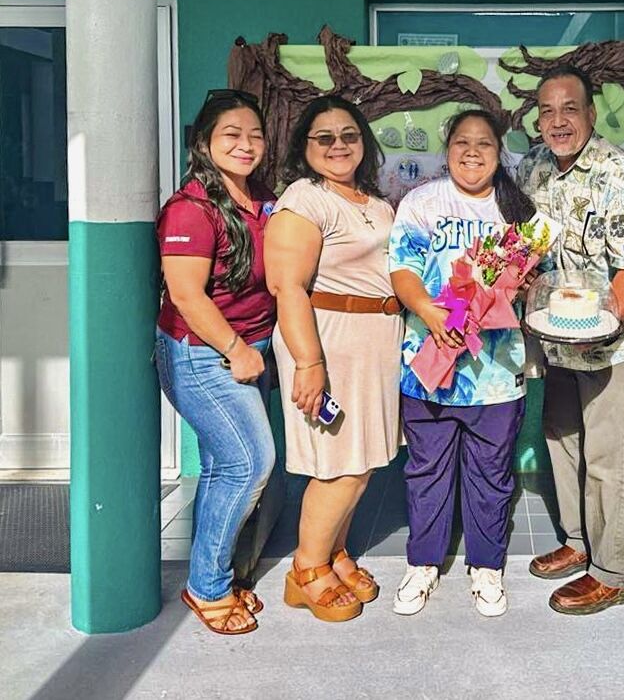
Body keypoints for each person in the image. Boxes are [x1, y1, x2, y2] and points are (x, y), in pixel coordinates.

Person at [516, 66, 624, 615]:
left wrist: (602, 324)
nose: (558, 121)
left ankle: (616, 570)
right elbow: (526, 238)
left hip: (607, 343)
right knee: (560, 435)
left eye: (569, 108)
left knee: (608, 452)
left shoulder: (620, 175)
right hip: (553, 337)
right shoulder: (531, 166)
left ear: (591, 114)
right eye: (547, 110)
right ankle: (578, 543)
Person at [388, 109, 537, 618]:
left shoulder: (519, 211)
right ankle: (423, 563)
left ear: (500, 153)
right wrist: (429, 312)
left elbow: (530, 280)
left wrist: (522, 284)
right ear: (447, 148)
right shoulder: (421, 202)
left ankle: (486, 566)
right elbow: (402, 270)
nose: (472, 152)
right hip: (427, 367)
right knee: (426, 469)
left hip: (495, 374)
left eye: (485, 145)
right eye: (462, 143)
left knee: (492, 473)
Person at [265, 95, 403, 623]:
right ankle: (305, 571)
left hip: (374, 339)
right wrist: (308, 362)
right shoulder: (305, 199)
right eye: (324, 137)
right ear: (305, 148)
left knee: (361, 462)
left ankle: (335, 553)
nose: (338, 145)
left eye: (348, 134)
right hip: (328, 339)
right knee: (335, 467)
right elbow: (288, 287)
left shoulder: (373, 202)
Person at [154, 89, 276, 636]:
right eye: (232, 134)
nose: (245, 144)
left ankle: (215, 574)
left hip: (249, 348)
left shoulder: (258, 198)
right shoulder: (190, 208)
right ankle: (207, 587)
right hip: (204, 354)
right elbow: (186, 294)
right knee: (250, 462)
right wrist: (236, 349)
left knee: (225, 466)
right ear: (204, 142)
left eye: (254, 134)